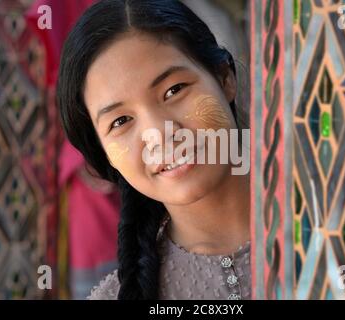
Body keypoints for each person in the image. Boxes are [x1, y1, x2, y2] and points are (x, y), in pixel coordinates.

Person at [57, 0, 250, 300]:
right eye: (120, 121)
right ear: (105, 153)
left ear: (225, 78)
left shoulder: (329, 218)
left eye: (174, 90)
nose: (159, 134)